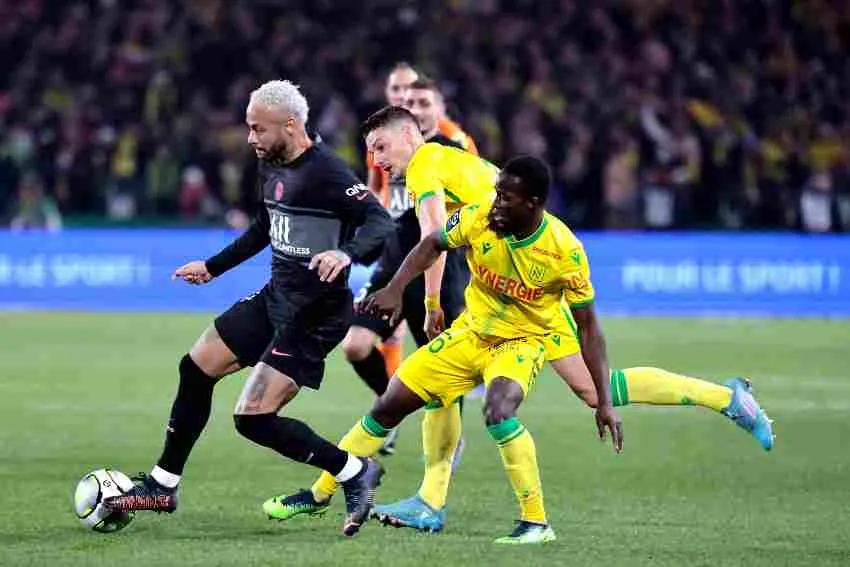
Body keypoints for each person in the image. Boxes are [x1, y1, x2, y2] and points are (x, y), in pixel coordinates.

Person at [266, 106, 776, 535]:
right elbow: (441, 237)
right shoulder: (456, 161)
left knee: (581, 392)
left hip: (523, 301)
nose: (376, 160)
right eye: (370, 151)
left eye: (381, 147)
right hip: (496, 278)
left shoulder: (426, 165)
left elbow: (431, 232)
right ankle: (422, 501)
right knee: (438, 390)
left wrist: (430, 302)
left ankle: (451, 504)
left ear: (409, 136)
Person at [103, 80, 394, 537]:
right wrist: (213, 267)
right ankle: (163, 485)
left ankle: (355, 471)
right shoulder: (271, 163)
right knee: (196, 367)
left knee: (253, 418)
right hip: (276, 297)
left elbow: (380, 221)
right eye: (249, 127)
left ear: (291, 125)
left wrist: (345, 253)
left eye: (258, 128)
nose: (250, 137)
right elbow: (265, 225)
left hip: (315, 314)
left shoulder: (328, 172)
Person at [298, 155, 624, 544]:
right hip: (469, 334)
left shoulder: (564, 251)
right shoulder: (479, 216)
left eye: (506, 198)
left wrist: (604, 402)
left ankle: (536, 523)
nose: (496, 204)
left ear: (533, 203)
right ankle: (321, 493)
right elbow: (432, 243)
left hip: (519, 342)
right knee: (388, 406)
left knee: (499, 410)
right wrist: (395, 288)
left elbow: (589, 328)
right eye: (497, 193)